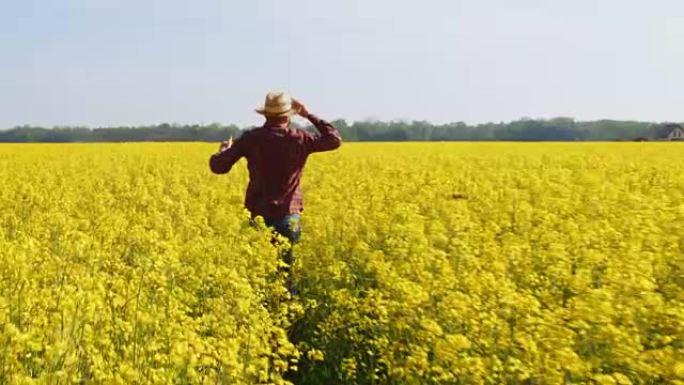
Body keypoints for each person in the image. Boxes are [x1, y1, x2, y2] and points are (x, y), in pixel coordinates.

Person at [209, 91, 342, 294]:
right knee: (286, 275)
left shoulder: (251, 139)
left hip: (258, 214)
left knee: (257, 274)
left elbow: (218, 167)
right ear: (288, 115)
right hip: (288, 215)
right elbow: (334, 139)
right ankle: (286, 316)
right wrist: (308, 114)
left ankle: (257, 316)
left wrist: (223, 150)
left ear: (265, 115)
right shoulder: (300, 138)